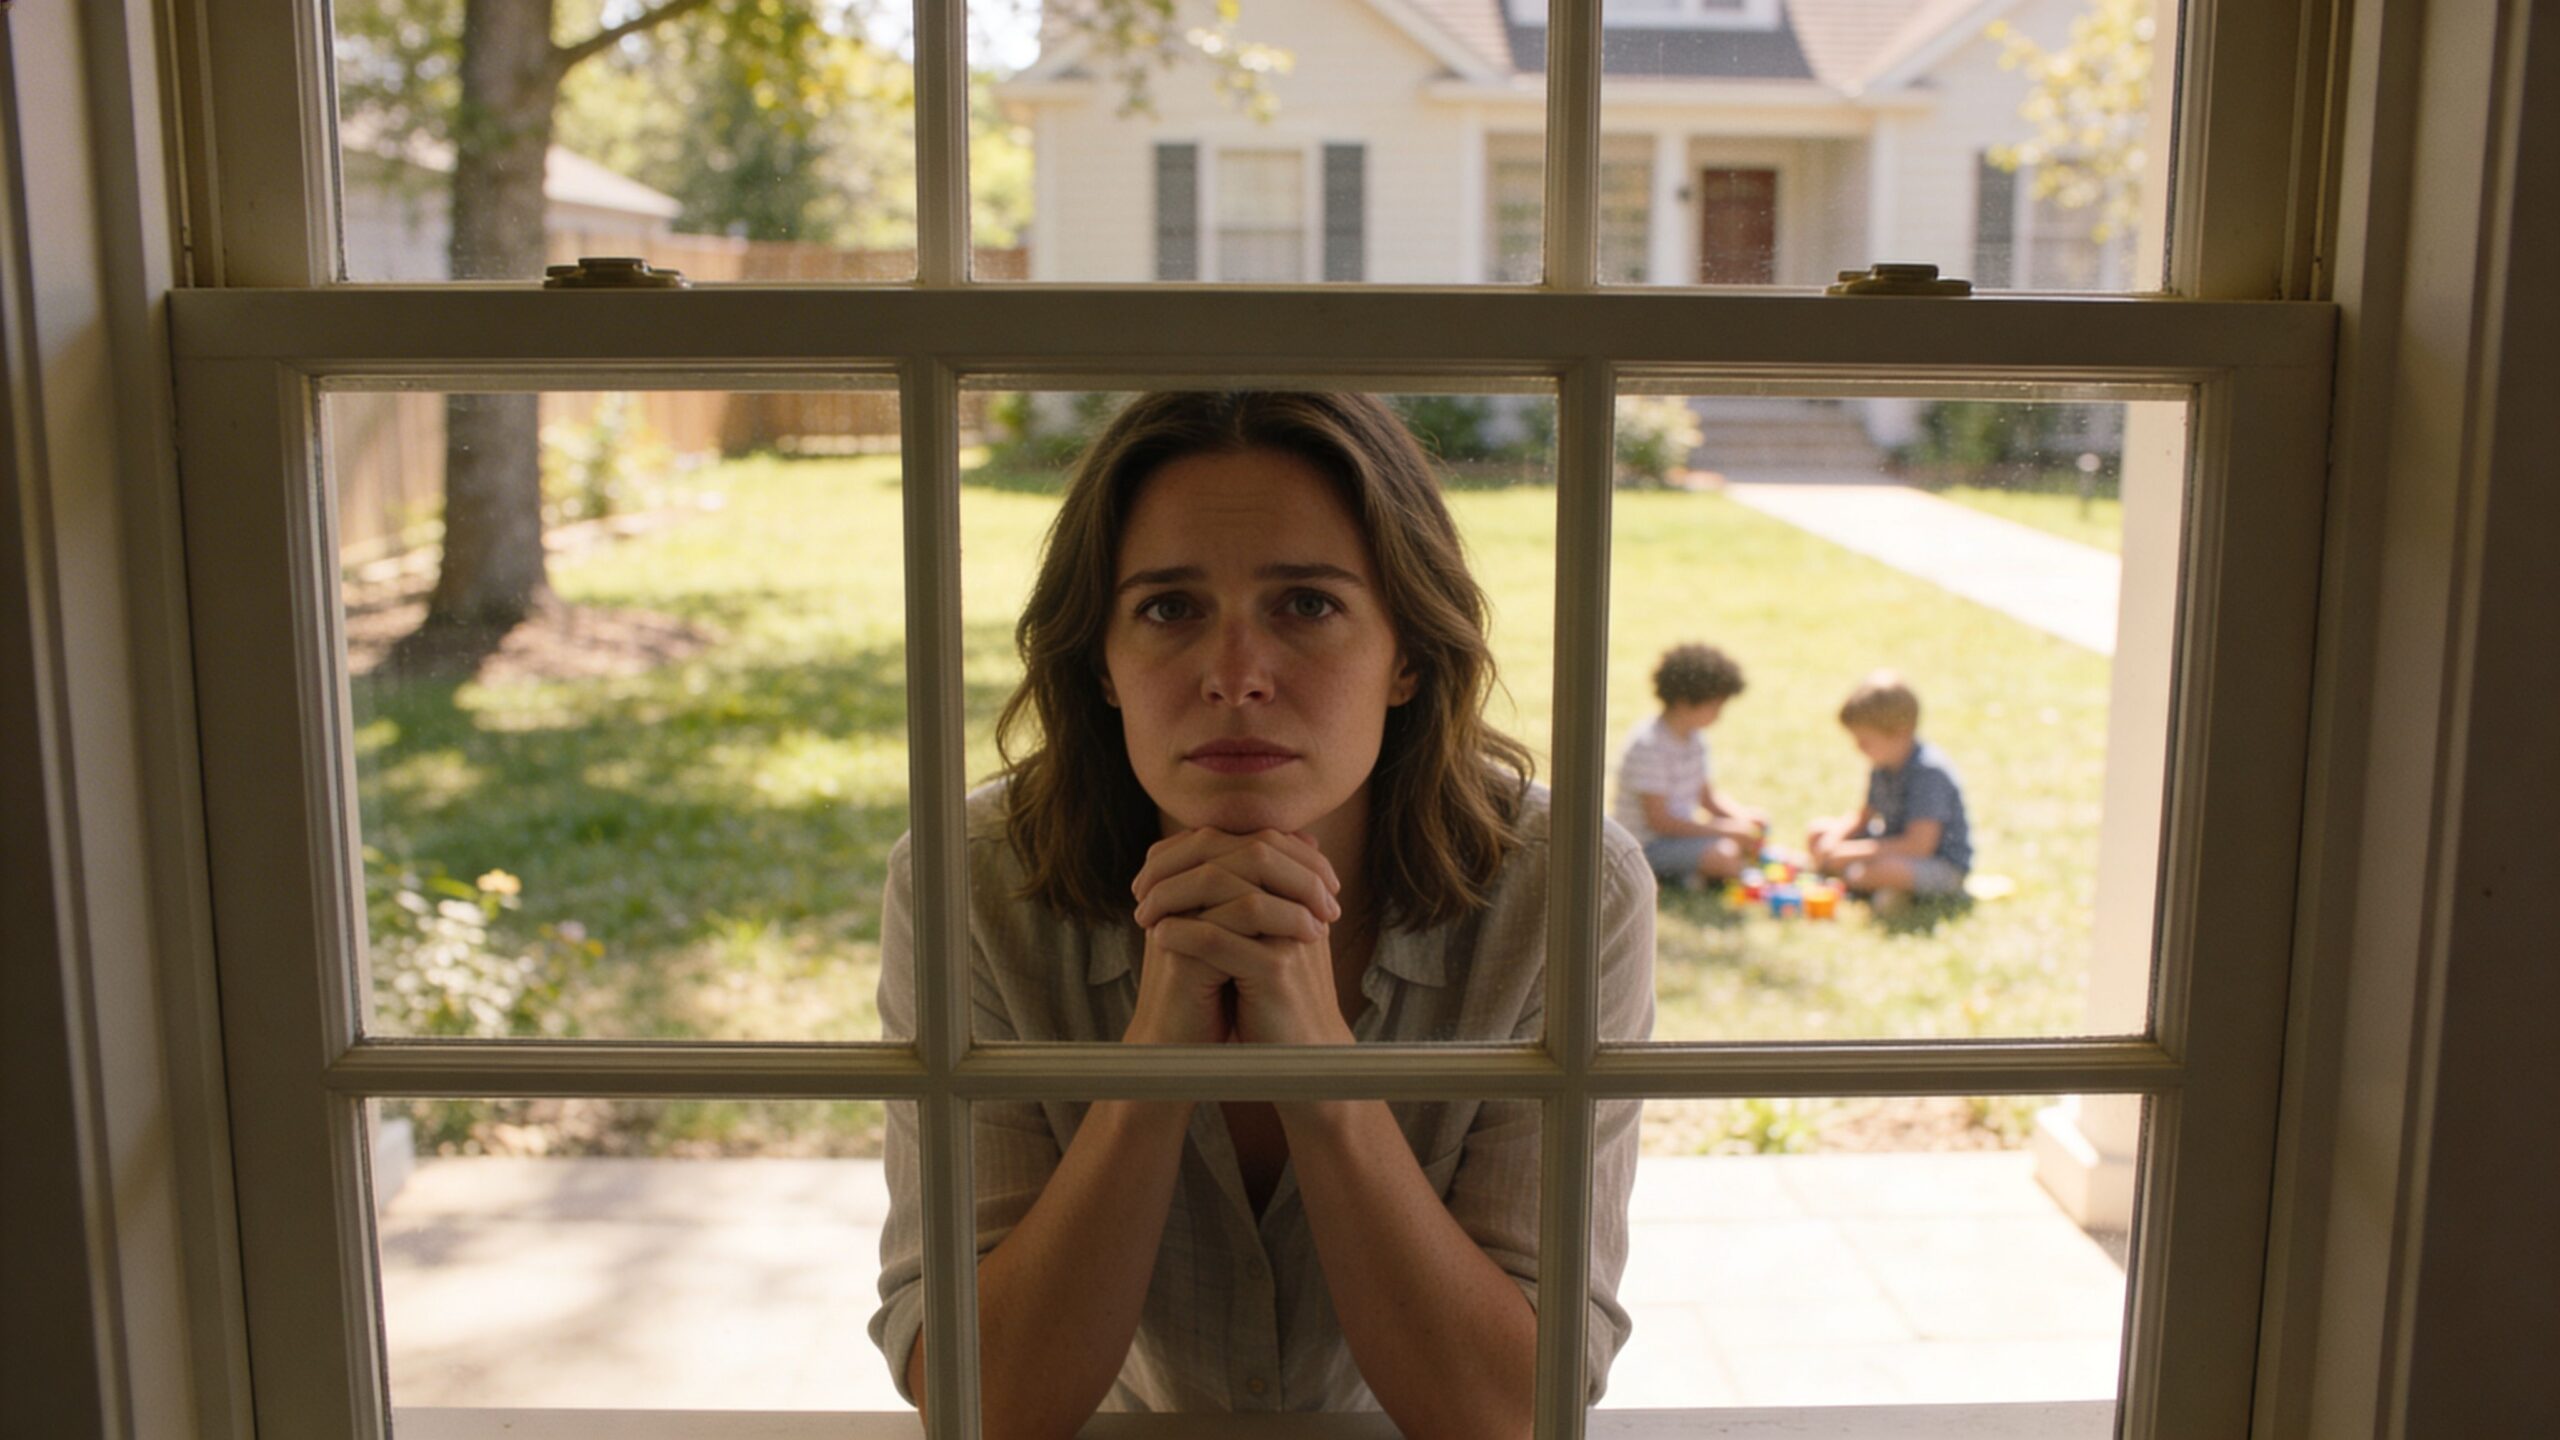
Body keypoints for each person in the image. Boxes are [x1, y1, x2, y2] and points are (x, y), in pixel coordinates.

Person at [869, 392, 1656, 1436]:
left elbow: (1513, 1408)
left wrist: (1318, 1070)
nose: (1236, 678)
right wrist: (1155, 1056)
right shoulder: (970, 882)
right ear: (1099, 659)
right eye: (1167, 608)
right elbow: (980, 1401)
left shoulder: (1564, 892)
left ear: (1408, 653)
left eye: (1307, 605)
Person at [1613, 642, 1767, 892]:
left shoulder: (1694, 738)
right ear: (1685, 703)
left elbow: (1706, 797)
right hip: (1648, 844)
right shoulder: (1649, 746)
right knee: (1724, 854)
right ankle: (1679, 875)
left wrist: (1740, 818)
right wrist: (1726, 830)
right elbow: (1660, 822)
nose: (1720, 714)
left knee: (1752, 824)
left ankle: (1692, 874)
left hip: (1679, 836)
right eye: (1716, 706)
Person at [1806, 670, 1972, 900]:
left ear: (1899, 734)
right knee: (1819, 833)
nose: (1858, 748)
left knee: (1878, 871)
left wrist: (1850, 853)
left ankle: (1882, 890)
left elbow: (1919, 846)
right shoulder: (1882, 765)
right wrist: (1834, 840)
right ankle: (1871, 885)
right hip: (1893, 846)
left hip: (1937, 865)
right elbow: (1863, 817)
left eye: (1865, 741)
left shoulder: (1928, 773)